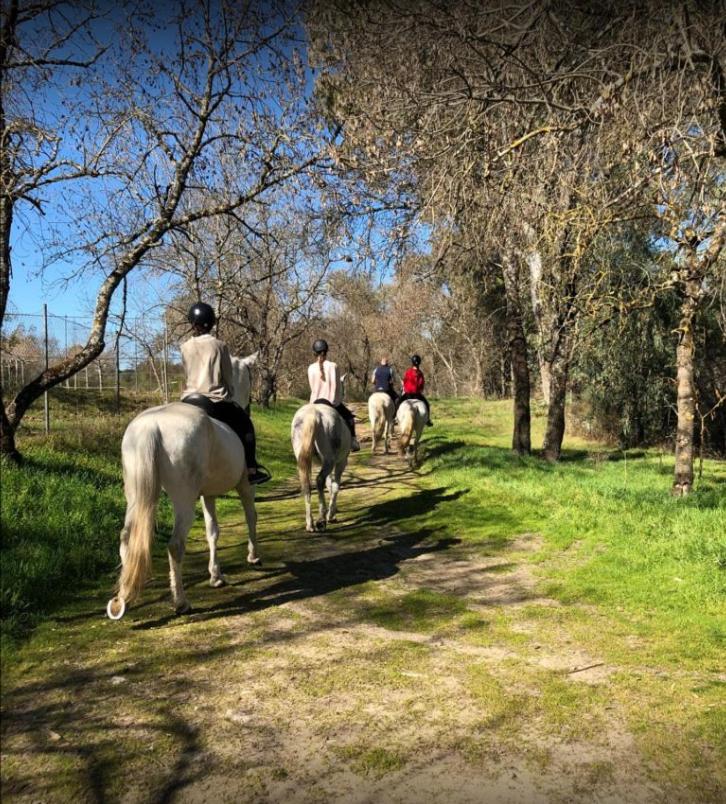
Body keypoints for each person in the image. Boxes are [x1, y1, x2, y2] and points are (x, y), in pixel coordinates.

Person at [180, 302, 271, 484]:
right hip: (213, 401)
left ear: (192, 323)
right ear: (211, 322)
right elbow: (228, 377)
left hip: (188, 401)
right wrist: (229, 393)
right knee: (246, 425)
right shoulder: (219, 345)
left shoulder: (184, 347)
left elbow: (187, 373)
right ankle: (252, 470)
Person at [308, 338, 361, 451]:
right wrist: (336, 402)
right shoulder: (333, 366)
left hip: (314, 404)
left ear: (314, 353)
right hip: (330, 402)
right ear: (326, 351)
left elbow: (312, 388)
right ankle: (353, 441)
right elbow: (336, 387)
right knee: (349, 418)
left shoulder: (310, 368)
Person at [396, 354, 433, 426]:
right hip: (417, 395)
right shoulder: (420, 373)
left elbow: (405, 382)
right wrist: (420, 390)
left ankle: (395, 418)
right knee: (427, 404)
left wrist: (406, 388)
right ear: (419, 363)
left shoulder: (408, 372)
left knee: (398, 402)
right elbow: (421, 384)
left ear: (412, 362)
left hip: (408, 394)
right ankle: (428, 419)